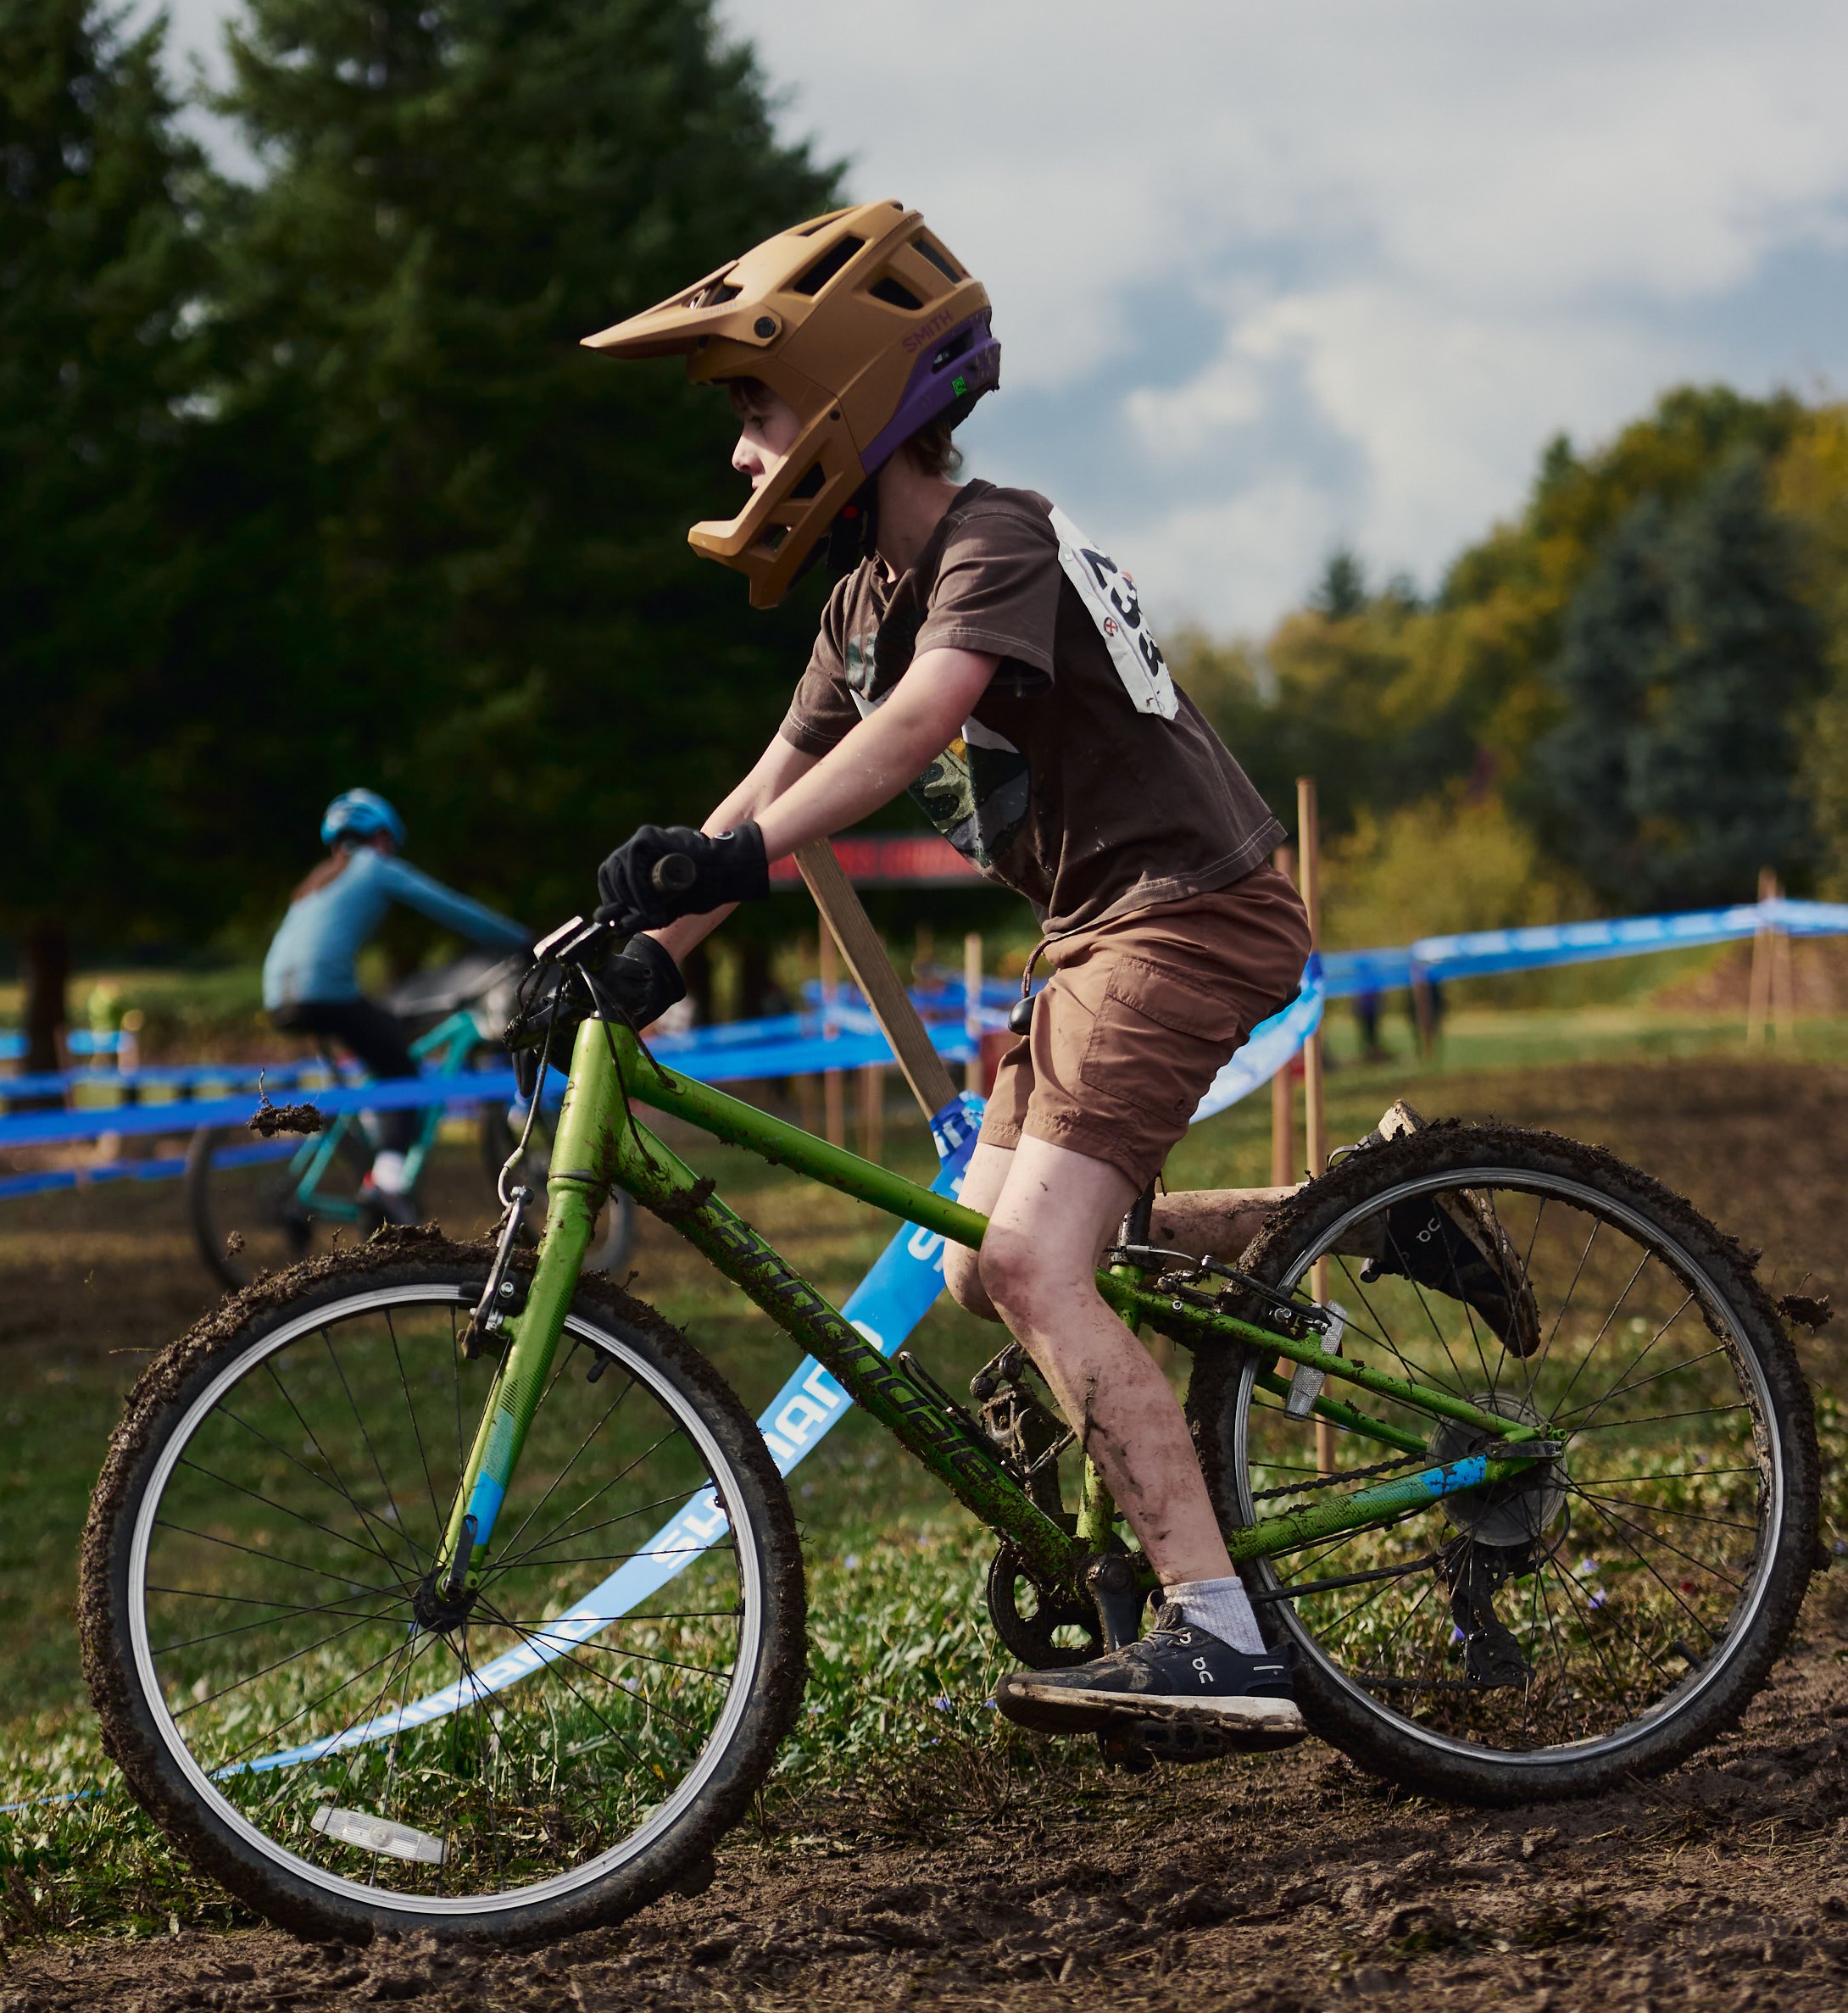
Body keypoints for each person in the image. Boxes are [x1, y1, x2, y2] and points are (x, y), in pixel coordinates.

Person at [580, 199, 1522, 1758]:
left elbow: (913, 726)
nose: (739, 455)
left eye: (753, 410)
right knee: (976, 1266)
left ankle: (1221, 1637)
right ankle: (1362, 1213)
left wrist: (725, 867)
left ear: (843, 398)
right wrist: (623, 949)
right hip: (1097, 930)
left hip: (1186, 911)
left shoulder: (990, 537)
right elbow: (761, 795)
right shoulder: (860, 607)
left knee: (1031, 1266)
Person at [262, 790, 529, 1200]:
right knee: (402, 1075)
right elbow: (450, 907)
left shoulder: (314, 884)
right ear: (381, 837)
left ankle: (371, 1144)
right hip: (326, 994)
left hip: (279, 997)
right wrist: (522, 939)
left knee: (383, 1049)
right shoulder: (374, 867)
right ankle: (388, 1182)